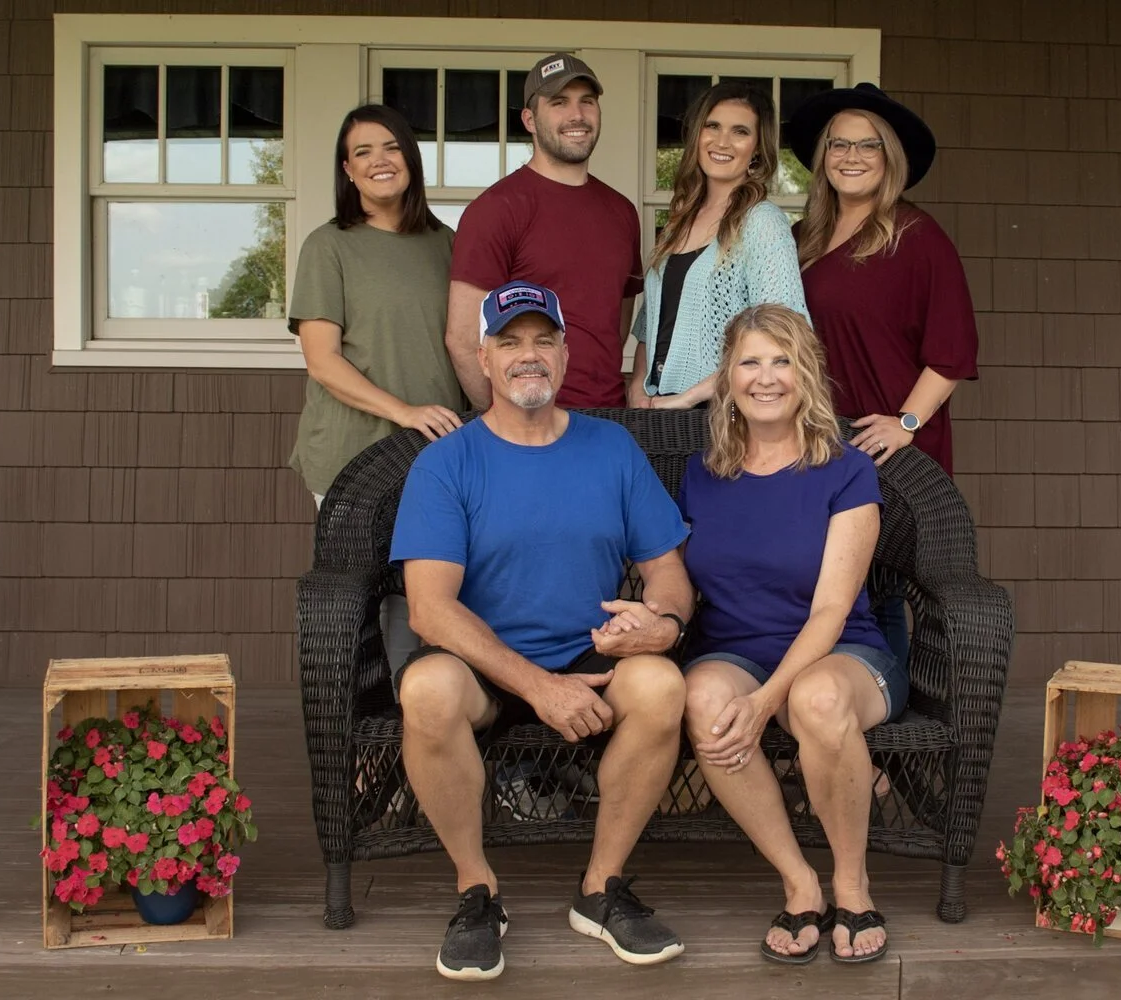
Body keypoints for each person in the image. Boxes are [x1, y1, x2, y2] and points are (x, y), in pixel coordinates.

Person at [391, 279, 695, 981]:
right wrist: (539, 687)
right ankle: (478, 893)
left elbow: (669, 572)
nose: (528, 356)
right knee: (428, 691)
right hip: (482, 670)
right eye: (510, 343)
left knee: (660, 686)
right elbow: (430, 609)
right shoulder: (448, 463)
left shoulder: (610, 449)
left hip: (589, 658)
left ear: (564, 354)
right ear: (485, 360)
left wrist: (664, 624)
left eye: (542, 340)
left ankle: (601, 887)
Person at [676, 304, 907, 965]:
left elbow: (832, 610)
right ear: (728, 377)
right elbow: (681, 579)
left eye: (783, 361)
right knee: (703, 703)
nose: (766, 377)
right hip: (734, 648)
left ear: (806, 375)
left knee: (817, 700)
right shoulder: (702, 473)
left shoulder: (846, 470)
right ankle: (799, 882)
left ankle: (851, 883)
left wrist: (767, 699)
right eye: (750, 361)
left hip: (845, 652)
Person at [786, 83, 979, 665]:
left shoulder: (918, 238)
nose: (851, 155)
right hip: (814, 442)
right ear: (823, 156)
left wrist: (906, 423)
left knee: (875, 592)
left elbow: (952, 351)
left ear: (890, 157)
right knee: (819, 588)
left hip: (881, 447)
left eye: (868, 145)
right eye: (838, 144)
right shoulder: (802, 240)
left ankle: (878, 729)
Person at [288, 103, 465, 671]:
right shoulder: (329, 245)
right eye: (362, 152)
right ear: (347, 170)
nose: (378, 160)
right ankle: (362, 752)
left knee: (426, 603)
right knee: (358, 607)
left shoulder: (448, 243)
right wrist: (405, 411)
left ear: (410, 158)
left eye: (390, 147)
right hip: (350, 454)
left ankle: (416, 740)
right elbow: (322, 360)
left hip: (436, 456)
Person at [446, 53, 642, 410]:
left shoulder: (622, 212)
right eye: (559, 102)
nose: (577, 115)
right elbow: (462, 340)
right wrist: (505, 426)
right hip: (530, 426)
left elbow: (616, 323)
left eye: (587, 101)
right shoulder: (495, 210)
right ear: (529, 119)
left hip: (610, 419)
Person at [629, 81, 807, 409]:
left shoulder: (761, 222)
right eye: (713, 126)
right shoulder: (679, 220)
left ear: (757, 148)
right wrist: (638, 385)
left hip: (725, 412)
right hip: (659, 409)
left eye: (740, 131)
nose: (722, 141)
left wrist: (690, 397)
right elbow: (650, 321)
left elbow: (785, 336)